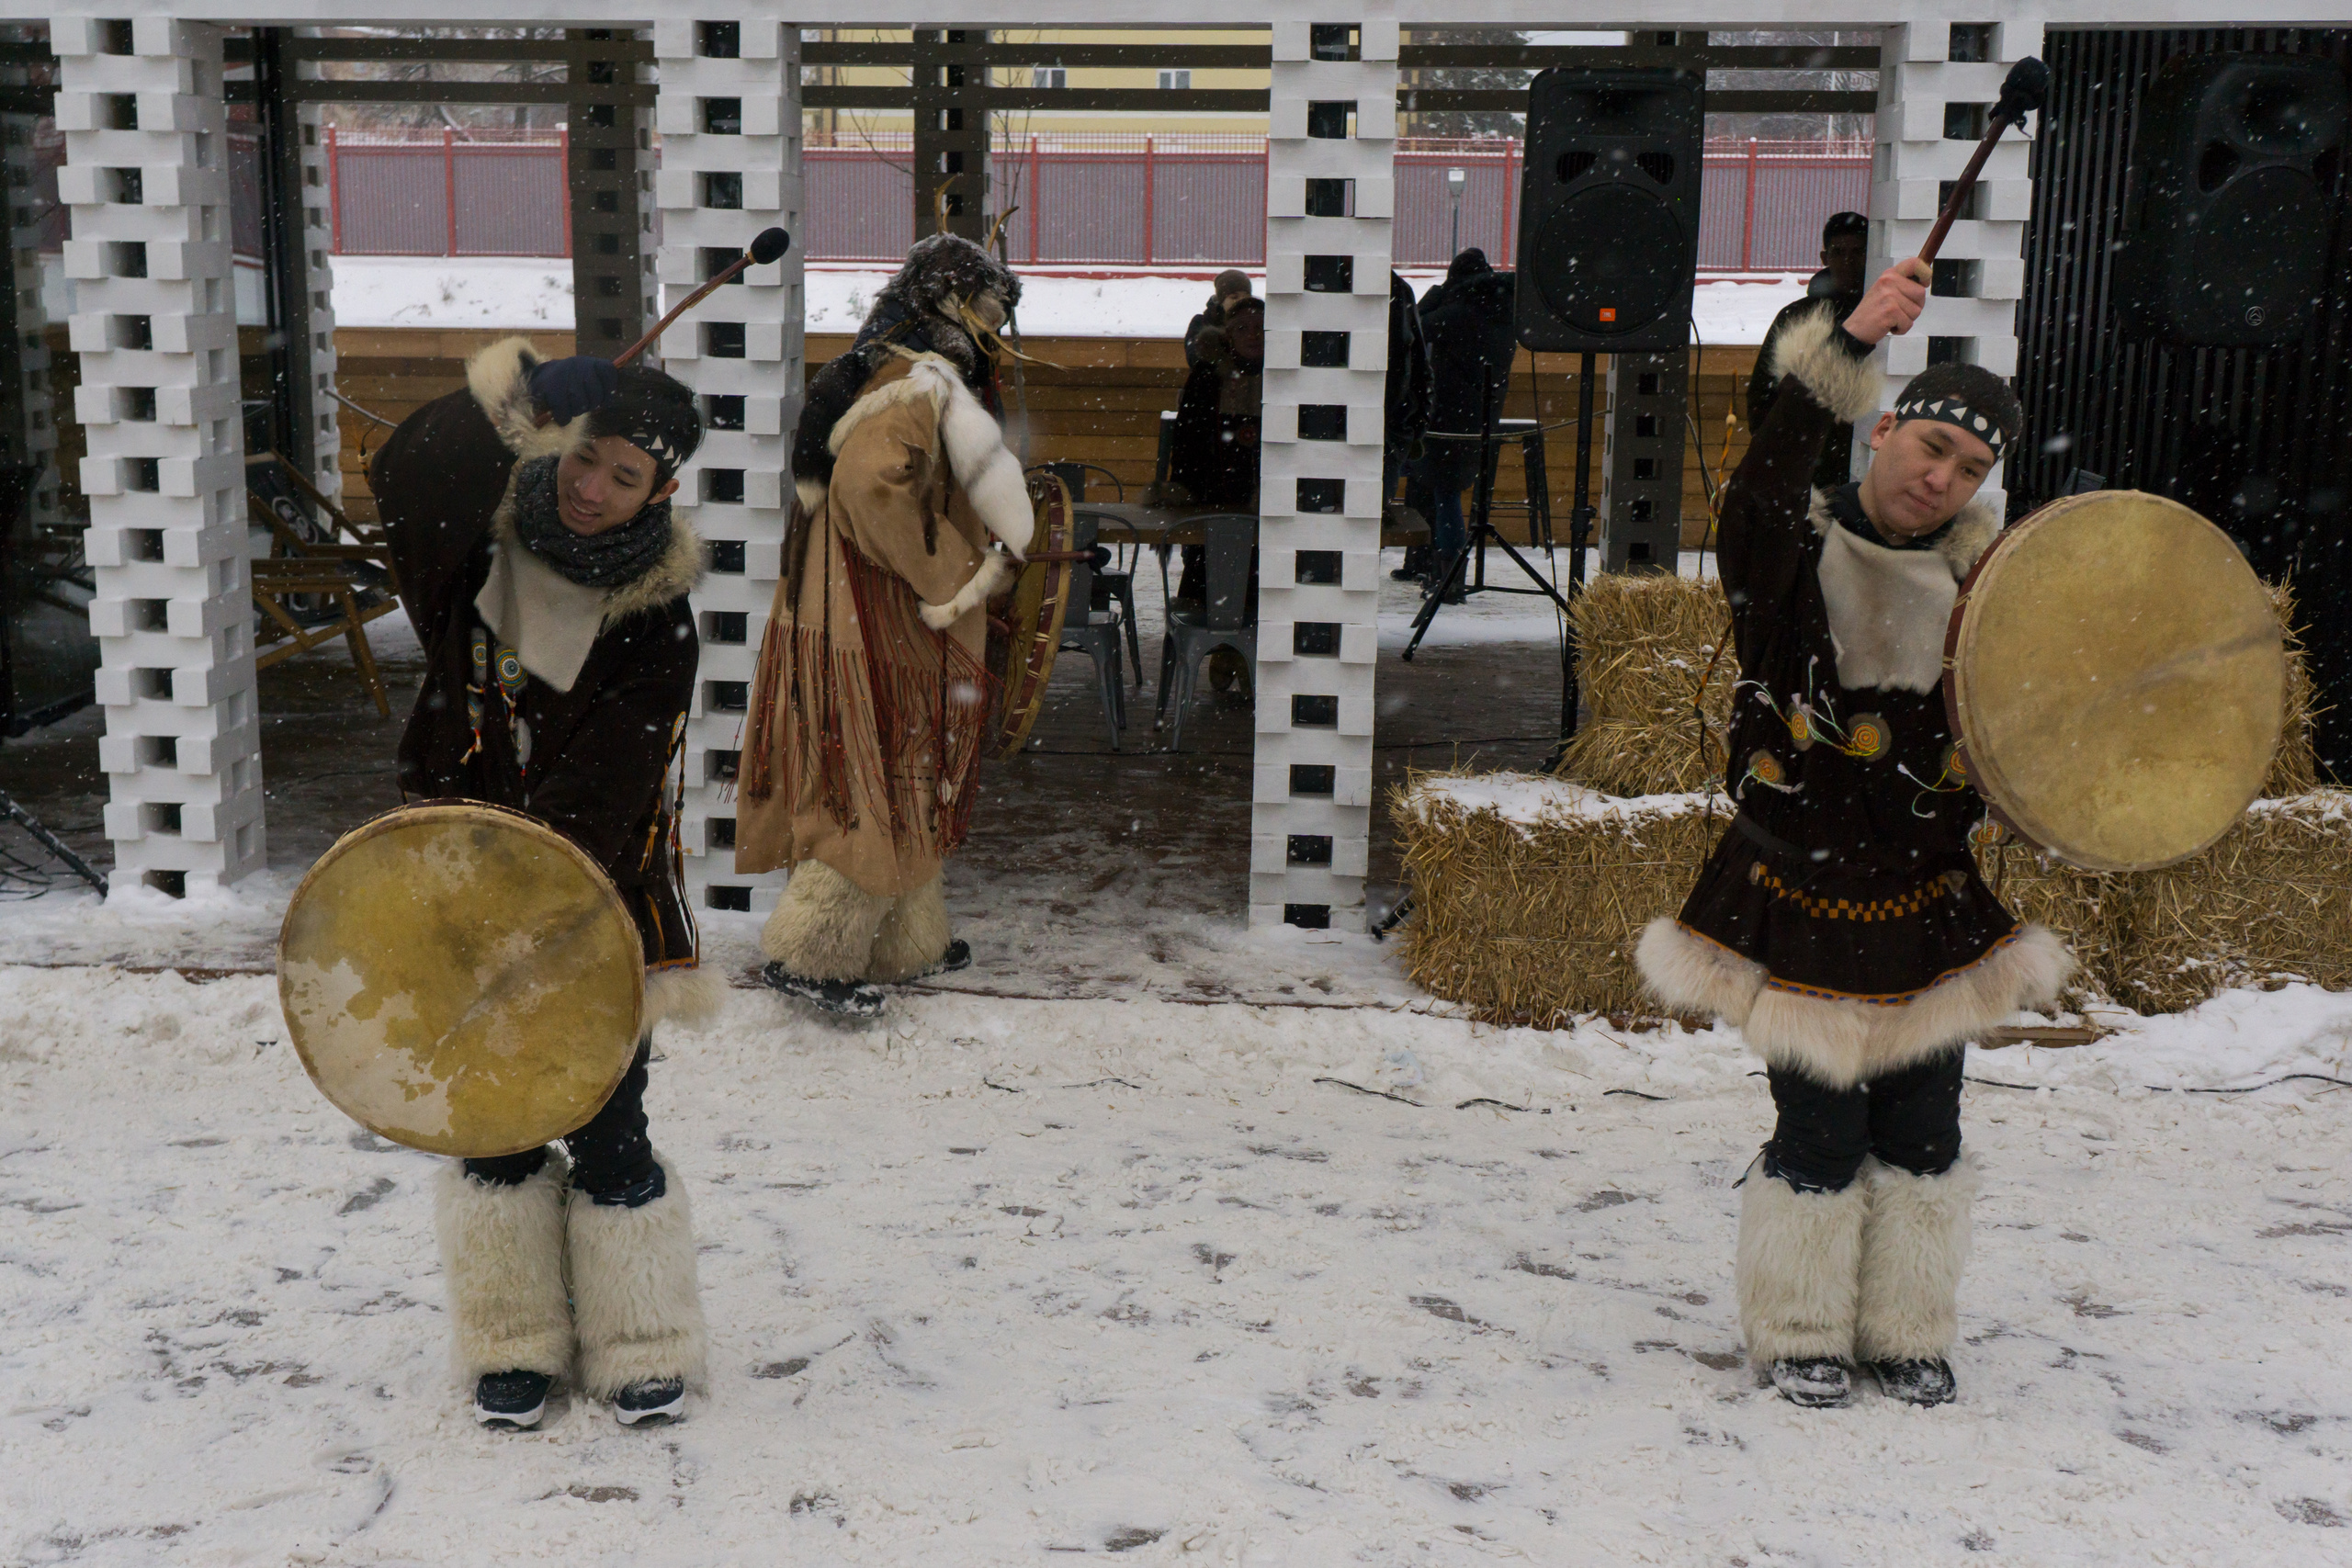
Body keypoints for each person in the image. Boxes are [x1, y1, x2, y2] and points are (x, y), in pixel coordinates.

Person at [1634, 259, 2073, 1411]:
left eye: (1969, 469)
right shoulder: (1787, 561)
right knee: (1822, 1130)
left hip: (1926, 897)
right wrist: (1848, 343)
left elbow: (2037, 734)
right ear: (1882, 431)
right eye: (1931, 448)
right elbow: (1759, 489)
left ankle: (1906, 1328)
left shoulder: (1987, 597)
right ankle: (1798, 1329)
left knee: (1925, 1130)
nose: (1941, 478)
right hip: (1801, 891)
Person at [370, 340, 719, 1431]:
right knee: (495, 1126)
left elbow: (603, 789)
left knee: (607, 1125)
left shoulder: (657, 621)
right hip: (458, 894)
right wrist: (513, 398)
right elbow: (411, 468)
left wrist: (520, 890)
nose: (592, 487)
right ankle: (512, 1337)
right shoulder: (478, 553)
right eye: (585, 455)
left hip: (591, 907)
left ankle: (641, 1338)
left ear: (660, 492)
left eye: (626, 474)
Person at [735, 233, 1034, 1019]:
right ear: (952, 303)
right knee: (869, 773)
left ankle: (907, 942)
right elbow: (871, 485)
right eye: (992, 306)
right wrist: (958, 574)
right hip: (868, 615)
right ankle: (811, 951)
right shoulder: (916, 382)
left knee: (905, 765)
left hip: (862, 607)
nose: (1000, 323)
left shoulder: (898, 368)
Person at [1405, 249, 1516, 601]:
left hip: (1447, 419)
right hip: (1480, 421)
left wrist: (1436, 294)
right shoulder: (1504, 316)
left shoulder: (1456, 314)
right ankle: (1439, 570)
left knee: (1445, 494)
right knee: (1445, 492)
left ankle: (1449, 578)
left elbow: (1413, 328)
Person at [1747, 211, 1871, 491]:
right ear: (1825, 257)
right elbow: (1762, 394)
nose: (1849, 261)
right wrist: (1775, 455)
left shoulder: (1889, 319)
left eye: (1858, 252)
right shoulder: (1796, 318)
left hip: (1869, 465)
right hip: (1805, 470)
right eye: (1839, 252)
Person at [1184, 268, 1253, 368]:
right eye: (1234, 297)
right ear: (1221, 301)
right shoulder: (1201, 322)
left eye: (1246, 297)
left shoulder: (1258, 322)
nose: (1241, 301)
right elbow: (1194, 359)